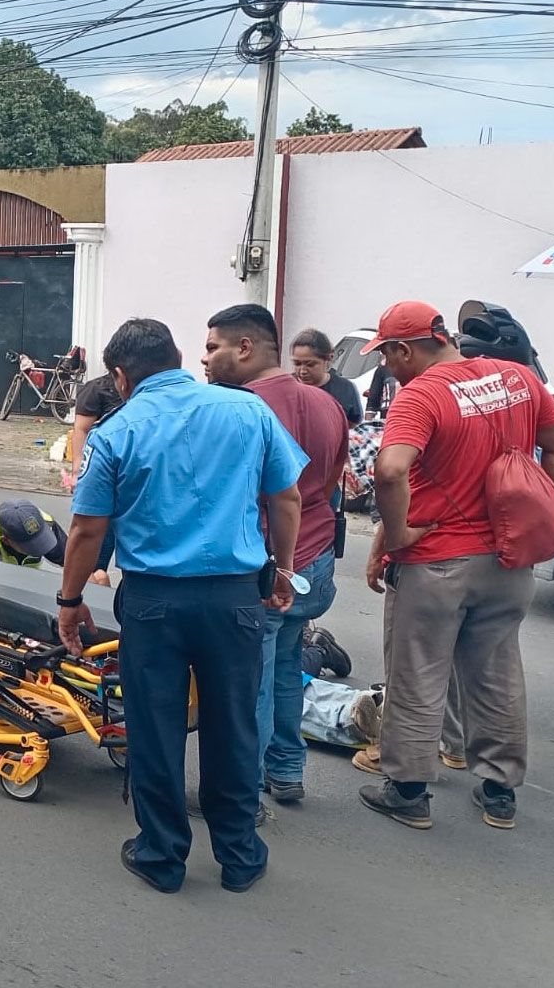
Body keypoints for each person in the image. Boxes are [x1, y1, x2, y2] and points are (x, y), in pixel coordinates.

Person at [57, 317, 305, 895]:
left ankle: (162, 856)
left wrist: (70, 602)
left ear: (120, 378)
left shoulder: (115, 432)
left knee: (156, 728)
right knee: (234, 724)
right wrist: (283, 569)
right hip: (235, 598)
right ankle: (240, 854)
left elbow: (86, 530)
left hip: (153, 603)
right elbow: (286, 496)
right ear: (176, 357)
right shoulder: (247, 411)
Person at [359, 300, 554, 832]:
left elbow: (391, 470)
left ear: (404, 349)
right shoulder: (518, 378)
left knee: (418, 673)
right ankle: (499, 791)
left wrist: (398, 534)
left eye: (386, 354)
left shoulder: (422, 395)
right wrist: (542, 503)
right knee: (498, 672)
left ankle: (409, 791)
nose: (386, 366)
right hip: (507, 562)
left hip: (437, 562)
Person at [202, 305, 348, 806]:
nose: (205, 358)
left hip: (264, 565)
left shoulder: (238, 407)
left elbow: (228, 494)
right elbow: (329, 483)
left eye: (212, 346)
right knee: (286, 666)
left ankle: (241, 793)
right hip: (316, 558)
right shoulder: (325, 402)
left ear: (244, 348)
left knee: (250, 684)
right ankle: (286, 772)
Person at [63, 369, 122, 584]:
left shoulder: (145, 391)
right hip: (104, 489)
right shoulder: (96, 390)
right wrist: (79, 473)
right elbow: (82, 430)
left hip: (134, 492)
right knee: (94, 565)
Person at [0, 499, 68, 568]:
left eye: (41, 539)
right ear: (5, 540)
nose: (39, 548)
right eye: (31, 546)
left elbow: (74, 563)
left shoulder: (44, 523)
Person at [289, 328, 363, 426]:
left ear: (329, 359)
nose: (303, 371)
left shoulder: (346, 389)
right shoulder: (285, 388)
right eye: (297, 364)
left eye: (310, 364)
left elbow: (352, 426)